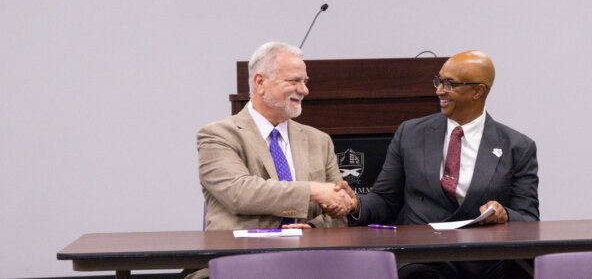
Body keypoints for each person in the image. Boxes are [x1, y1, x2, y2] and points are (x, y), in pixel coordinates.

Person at [341, 50, 539, 279]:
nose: (439, 90)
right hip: (424, 258)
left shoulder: (517, 146)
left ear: (478, 91)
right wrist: (355, 204)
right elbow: (384, 199)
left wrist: (505, 214)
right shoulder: (411, 133)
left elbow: (529, 220)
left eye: (450, 84)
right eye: (438, 81)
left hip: (484, 260)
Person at [198, 41, 353, 231]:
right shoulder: (218, 135)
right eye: (294, 81)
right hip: (242, 255)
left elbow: (340, 208)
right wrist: (314, 190)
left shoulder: (319, 141)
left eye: (305, 82)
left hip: (307, 254)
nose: (304, 90)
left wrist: (313, 228)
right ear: (260, 82)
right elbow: (239, 194)